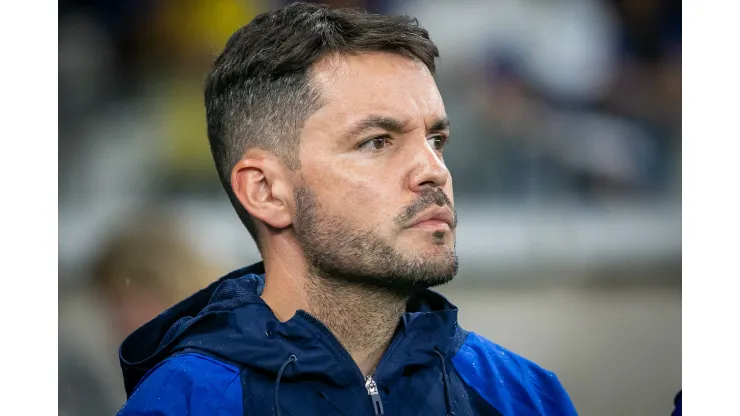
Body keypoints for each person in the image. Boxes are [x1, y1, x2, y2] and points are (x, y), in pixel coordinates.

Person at [117, 3, 578, 415]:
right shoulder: (186, 404)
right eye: (377, 141)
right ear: (265, 191)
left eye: (436, 139)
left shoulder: (525, 396)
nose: (434, 171)